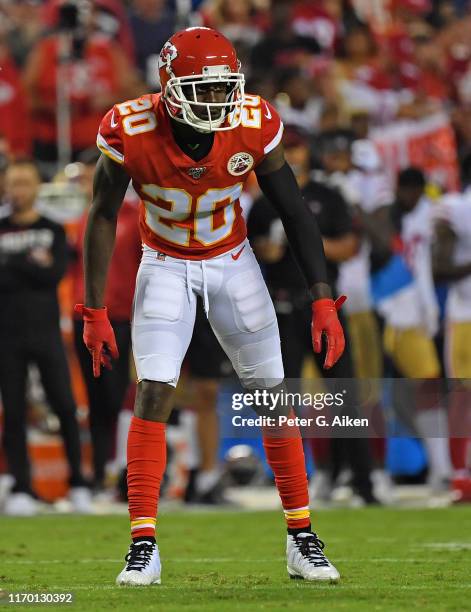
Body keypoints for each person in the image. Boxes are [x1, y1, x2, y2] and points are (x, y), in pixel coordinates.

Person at [75, 27, 346, 586]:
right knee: (153, 388)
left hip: (232, 259)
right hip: (165, 260)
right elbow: (102, 214)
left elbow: (294, 210)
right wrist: (94, 309)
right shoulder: (130, 127)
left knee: (273, 393)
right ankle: (143, 544)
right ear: (169, 86)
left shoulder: (253, 121)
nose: (215, 101)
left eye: (223, 88)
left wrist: (323, 300)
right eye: (201, 89)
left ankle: (301, 536)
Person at [248, 127, 377, 506]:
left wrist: (302, 241)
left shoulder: (327, 196)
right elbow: (248, 253)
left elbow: (350, 246)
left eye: (299, 148)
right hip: (281, 308)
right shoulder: (261, 202)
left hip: (324, 307)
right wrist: (265, 251)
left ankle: (361, 481)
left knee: (343, 396)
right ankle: (297, 482)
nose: (294, 155)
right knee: (282, 399)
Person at [0, 159, 91, 515]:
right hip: (7, 335)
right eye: (14, 183)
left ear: (37, 187)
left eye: (26, 182)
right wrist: (28, 264)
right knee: (16, 411)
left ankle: (79, 484)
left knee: (66, 407)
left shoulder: (53, 228)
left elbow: (53, 274)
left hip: (46, 332)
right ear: (6, 187)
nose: (20, 189)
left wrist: (11, 265)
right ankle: (23, 487)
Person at [71, 148, 141, 494]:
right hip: (84, 319)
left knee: (117, 399)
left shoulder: (132, 214)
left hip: (121, 319)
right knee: (96, 400)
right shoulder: (73, 218)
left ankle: (122, 474)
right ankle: (100, 474)